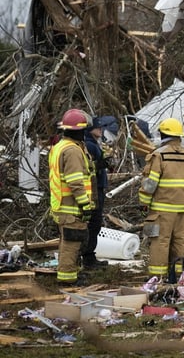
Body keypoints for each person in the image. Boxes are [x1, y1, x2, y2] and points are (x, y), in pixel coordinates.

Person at [138, 118, 184, 281]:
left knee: (160, 242)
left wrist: (143, 204)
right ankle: (181, 275)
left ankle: (157, 277)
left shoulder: (159, 156)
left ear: (162, 133)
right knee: (181, 241)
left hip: (162, 210)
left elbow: (150, 185)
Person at [48, 108, 95, 286]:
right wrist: (85, 205)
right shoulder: (72, 151)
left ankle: (69, 273)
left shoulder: (59, 146)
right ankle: (67, 279)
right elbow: (75, 182)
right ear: (79, 130)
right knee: (72, 243)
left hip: (61, 205)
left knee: (66, 241)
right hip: (72, 207)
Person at [81, 116, 109, 269]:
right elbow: (88, 167)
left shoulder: (93, 144)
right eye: (98, 127)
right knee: (94, 223)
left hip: (97, 187)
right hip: (94, 189)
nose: (101, 129)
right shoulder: (90, 145)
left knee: (94, 224)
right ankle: (88, 257)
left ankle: (89, 255)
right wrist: (101, 164)